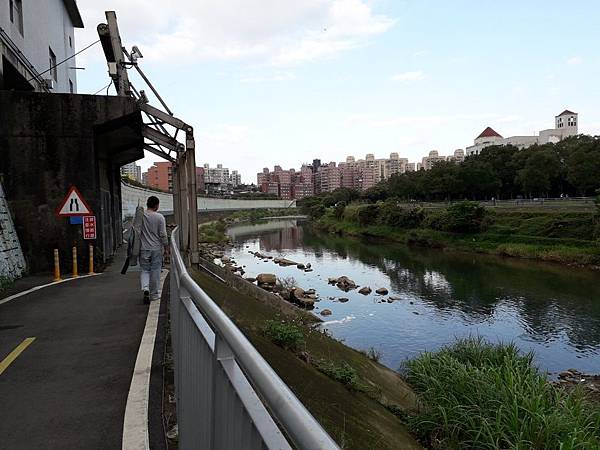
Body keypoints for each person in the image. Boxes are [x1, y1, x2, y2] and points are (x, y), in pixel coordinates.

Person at [140, 196, 168, 304]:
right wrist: (166, 247)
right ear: (156, 205)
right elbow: (163, 234)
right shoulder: (160, 217)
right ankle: (154, 294)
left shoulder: (141, 216)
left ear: (147, 204)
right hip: (156, 248)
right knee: (155, 271)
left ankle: (146, 289)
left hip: (143, 248)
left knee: (145, 270)